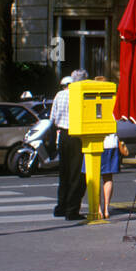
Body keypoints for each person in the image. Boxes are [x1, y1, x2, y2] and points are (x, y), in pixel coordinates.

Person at [50, 70, 87, 221]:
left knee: (64, 173)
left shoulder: (60, 94)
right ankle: (72, 210)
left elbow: (52, 117)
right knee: (76, 174)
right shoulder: (80, 94)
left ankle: (61, 206)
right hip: (77, 136)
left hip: (63, 135)